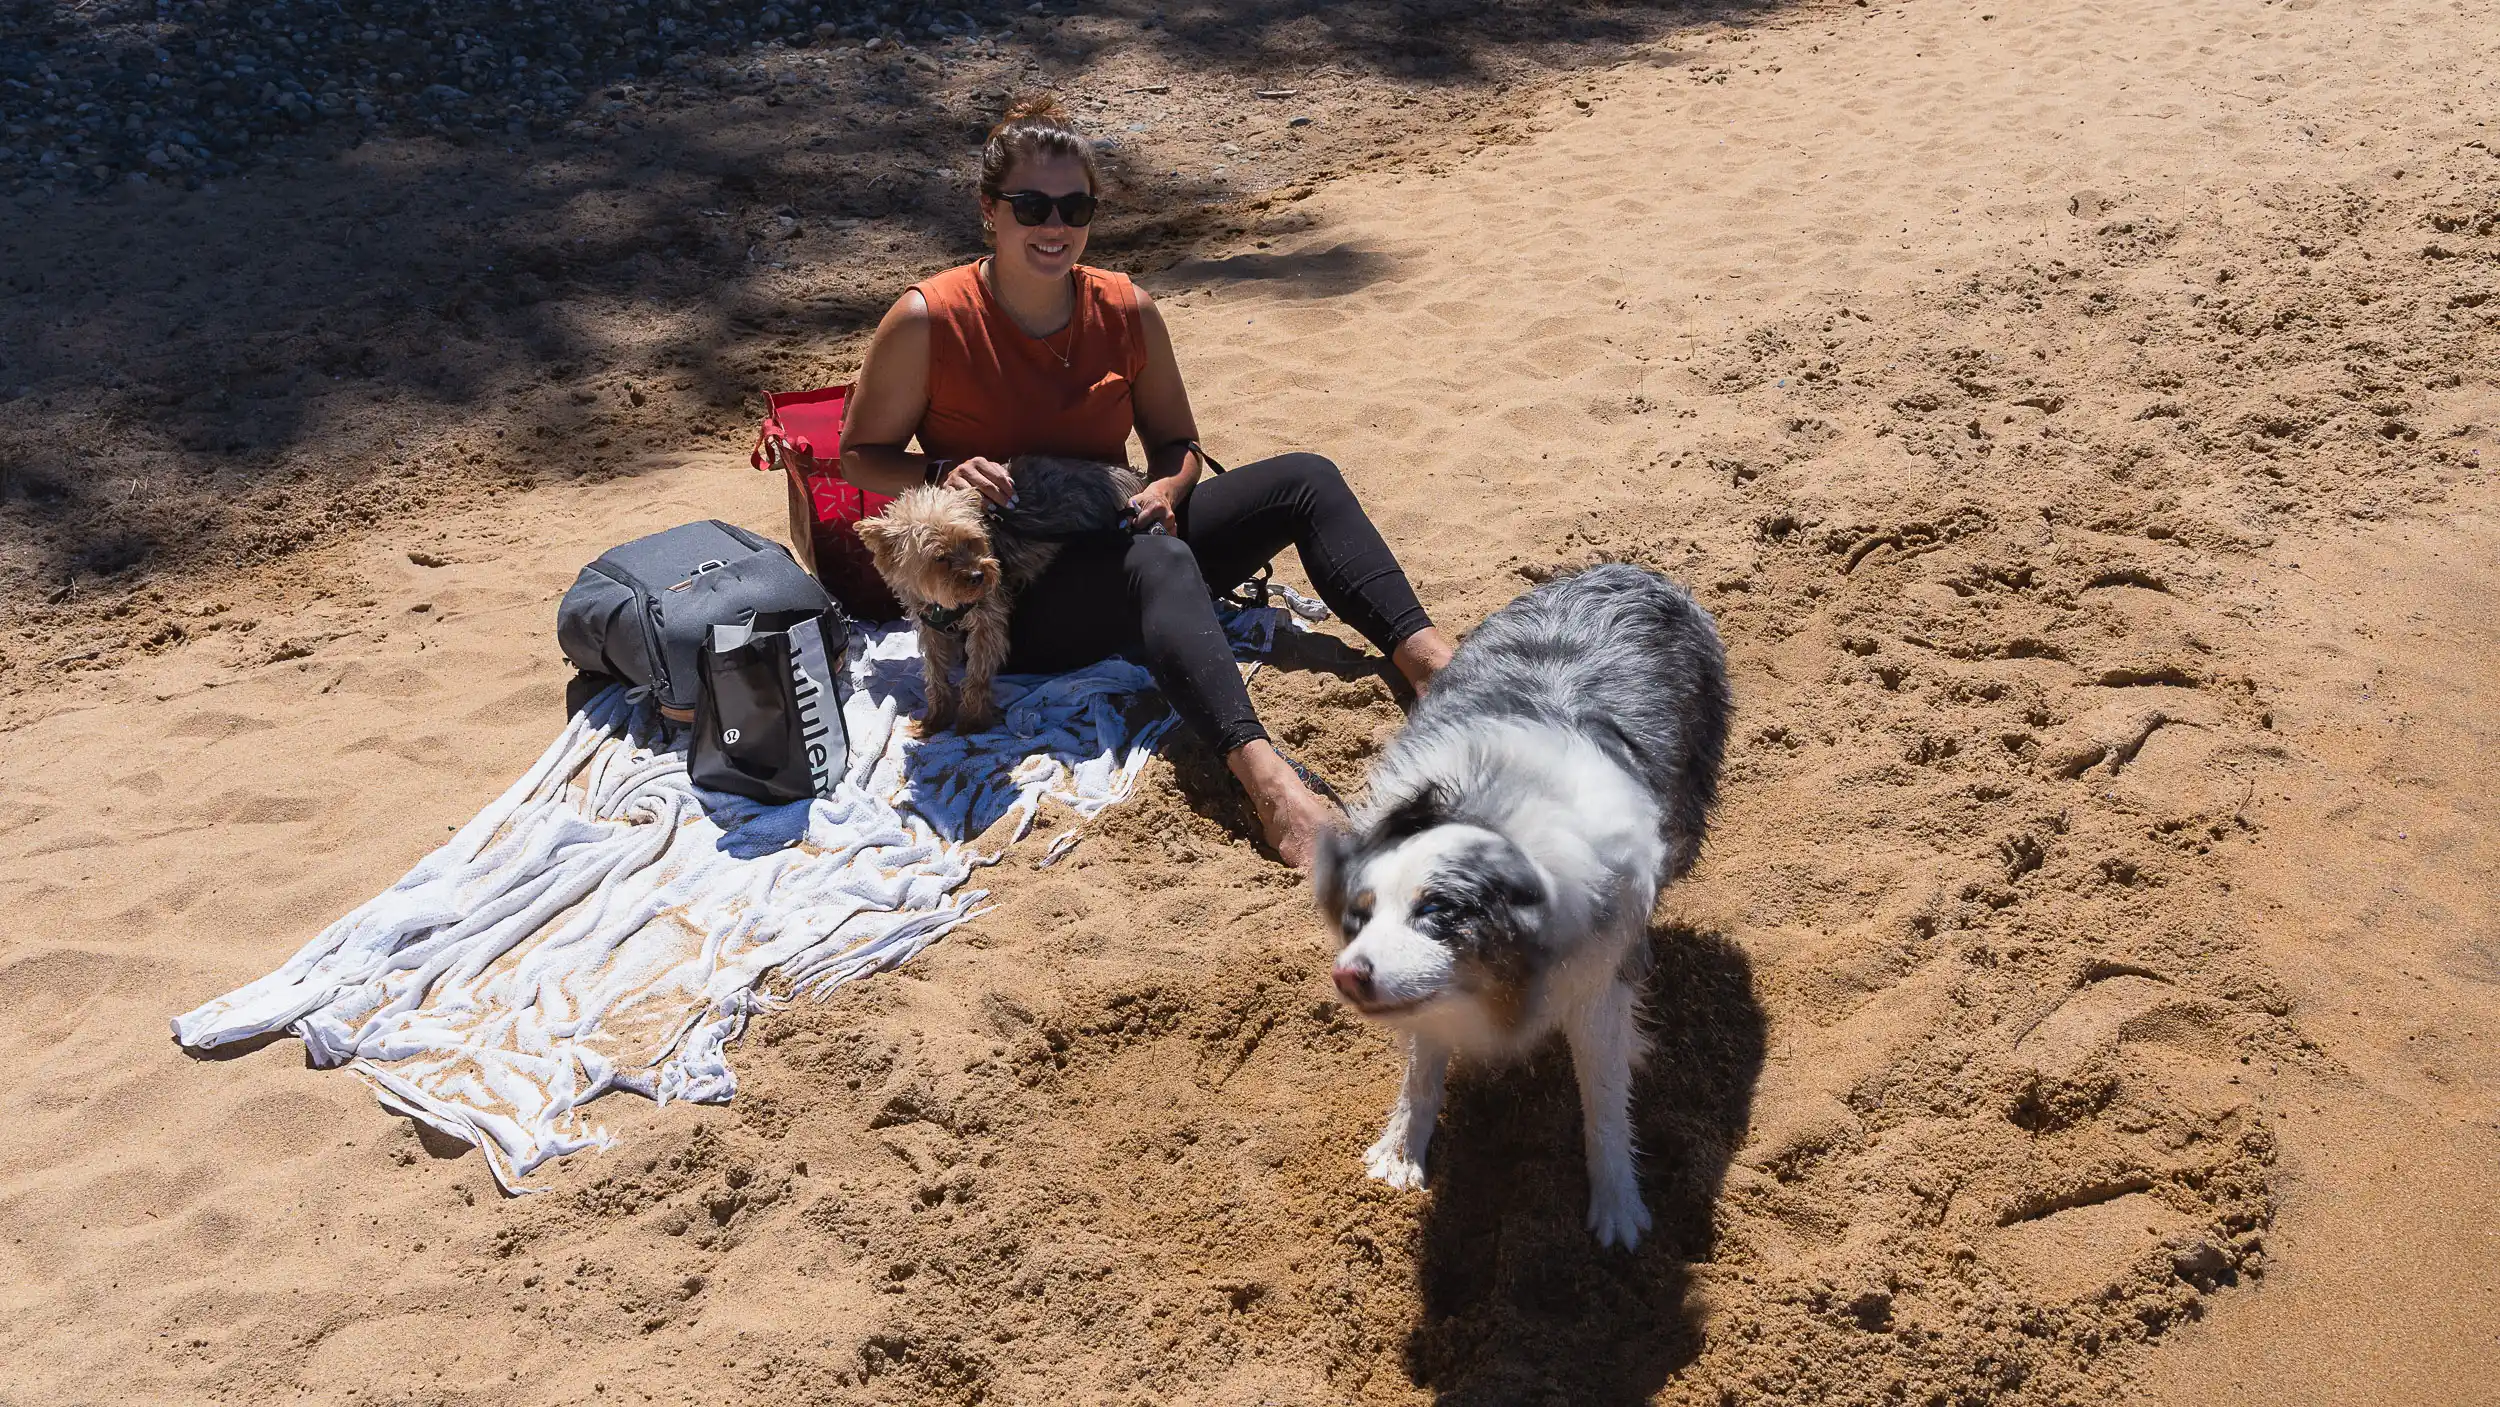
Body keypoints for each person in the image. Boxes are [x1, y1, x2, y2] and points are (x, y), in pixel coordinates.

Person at [837, 96, 1454, 868]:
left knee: (1305, 479)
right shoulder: (930, 318)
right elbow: (857, 454)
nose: (1054, 224)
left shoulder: (1126, 306)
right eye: (1031, 205)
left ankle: (1435, 667)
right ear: (989, 210)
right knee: (1161, 564)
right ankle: (1271, 787)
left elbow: (1176, 443)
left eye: (1075, 205)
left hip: (1117, 526)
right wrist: (939, 468)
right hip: (1007, 594)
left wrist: (1167, 489)